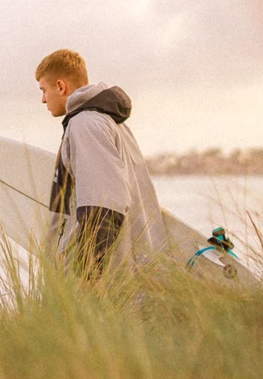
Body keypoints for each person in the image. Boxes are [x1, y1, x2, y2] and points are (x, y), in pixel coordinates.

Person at [36, 49, 167, 276]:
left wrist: (88, 276)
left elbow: (102, 205)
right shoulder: (112, 123)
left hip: (109, 282)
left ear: (60, 86)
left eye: (44, 90)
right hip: (133, 272)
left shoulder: (85, 124)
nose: (43, 99)